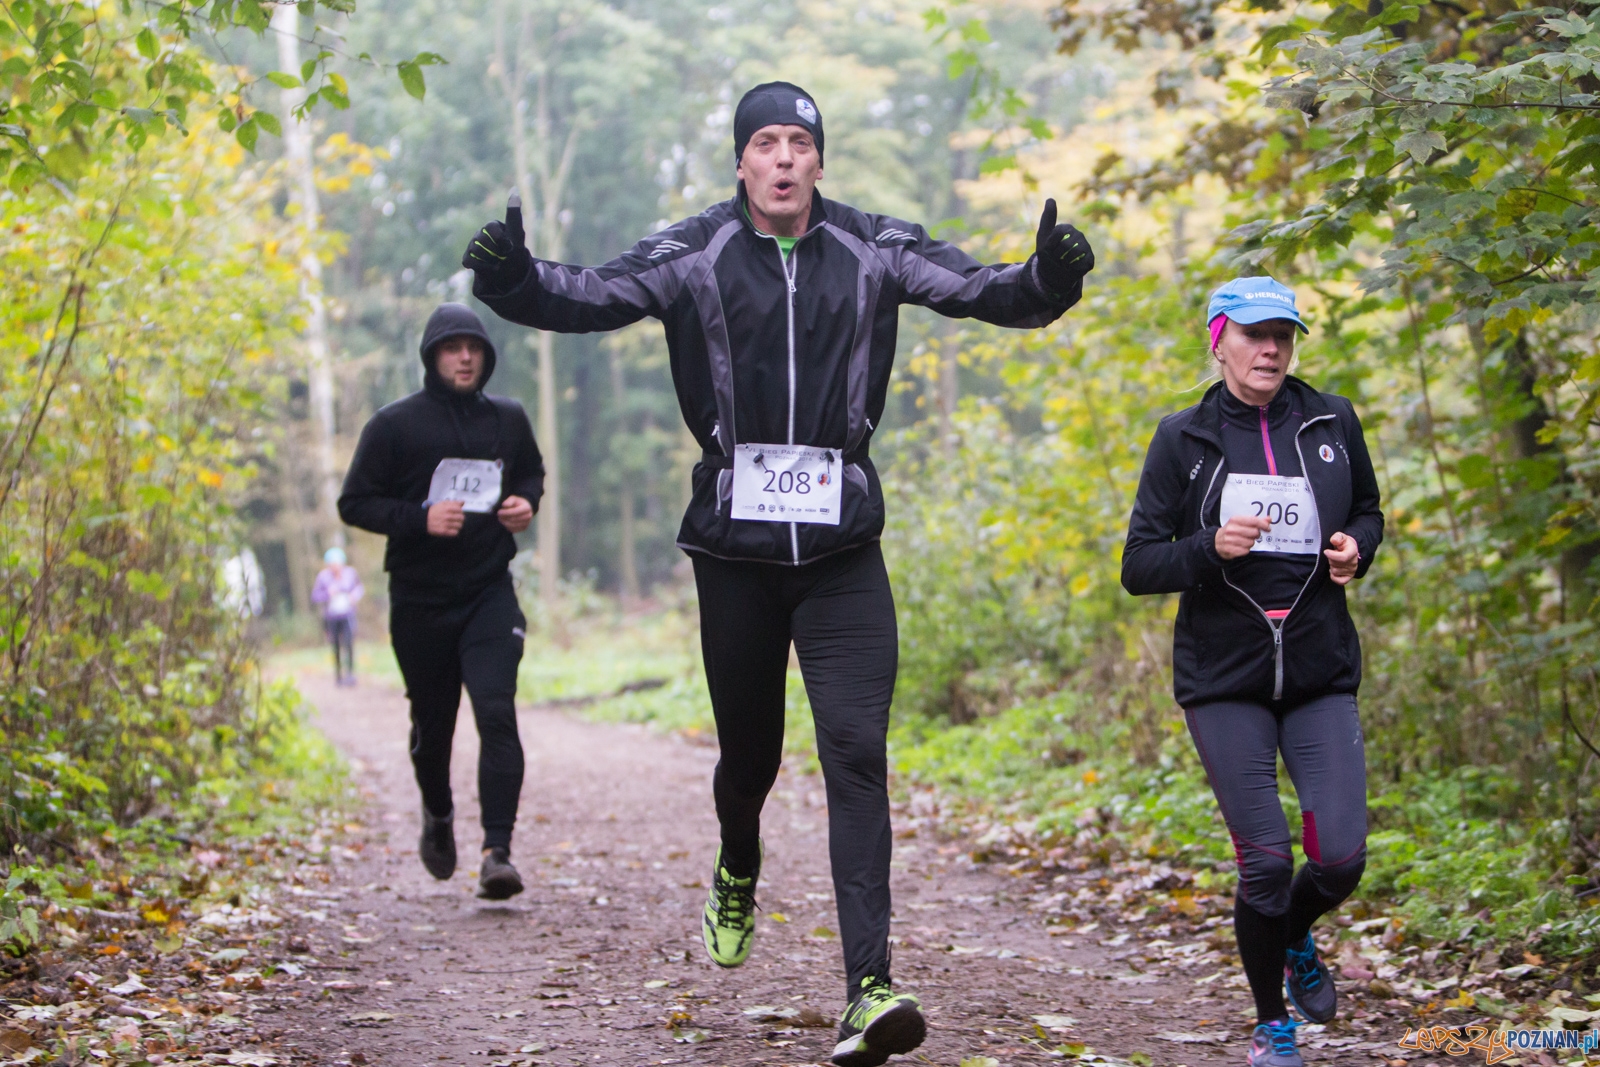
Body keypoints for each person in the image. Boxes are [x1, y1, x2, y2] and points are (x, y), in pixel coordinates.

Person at [461, 82, 1094, 1067]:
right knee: (748, 758)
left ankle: (869, 984)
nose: (786, 158)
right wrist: (510, 281)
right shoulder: (696, 252)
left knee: (854, 749)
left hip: (842, 549)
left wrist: (1047, 278)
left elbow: (984, 291)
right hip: (736, 557)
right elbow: (586, 296)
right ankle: (738, 863)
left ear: (821, 162)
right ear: (742, 162)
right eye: (767, 141)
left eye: (802, 141)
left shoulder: (873, 245)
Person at [1121, 277, 1383, 1067]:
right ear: (1219, 339)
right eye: (1255, 334)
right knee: (1266, 858)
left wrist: (1356, 548)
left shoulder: (1330, 419)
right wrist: (1209, 548)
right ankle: (1273, 1024)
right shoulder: (1184, 438)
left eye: (1285, 334)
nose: (1272, 349)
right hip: (1225, 676)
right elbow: (1139, 564)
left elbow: (1368, 509)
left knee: (1340, 857)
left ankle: (1295, 929)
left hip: (1316, 667)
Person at [338, 302, 545, 901]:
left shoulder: (508, 419)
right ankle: (438, 812)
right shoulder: (394, 426)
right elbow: (354, 503)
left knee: (496, 710)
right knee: (434, 728)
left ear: (487, 357)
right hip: (420, 600)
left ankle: (496, 853)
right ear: (432, 356)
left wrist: (524, 505)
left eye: (474, 348)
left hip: (488, 592)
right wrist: (419, 520)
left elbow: (530, 474)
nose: (464, 357)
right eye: (453, 348)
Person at [311, 546, 364, 686]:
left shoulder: (350, 573)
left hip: (347, 614)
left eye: (338, 564)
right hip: (331, 617)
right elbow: (315, 596)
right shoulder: (323, 577)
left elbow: (359, 588)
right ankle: (338, 676)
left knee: (349, 643)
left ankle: (351, 674)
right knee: (335, 646)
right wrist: (328, 594)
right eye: (332, 565)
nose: (336, 567)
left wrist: (354, 596)